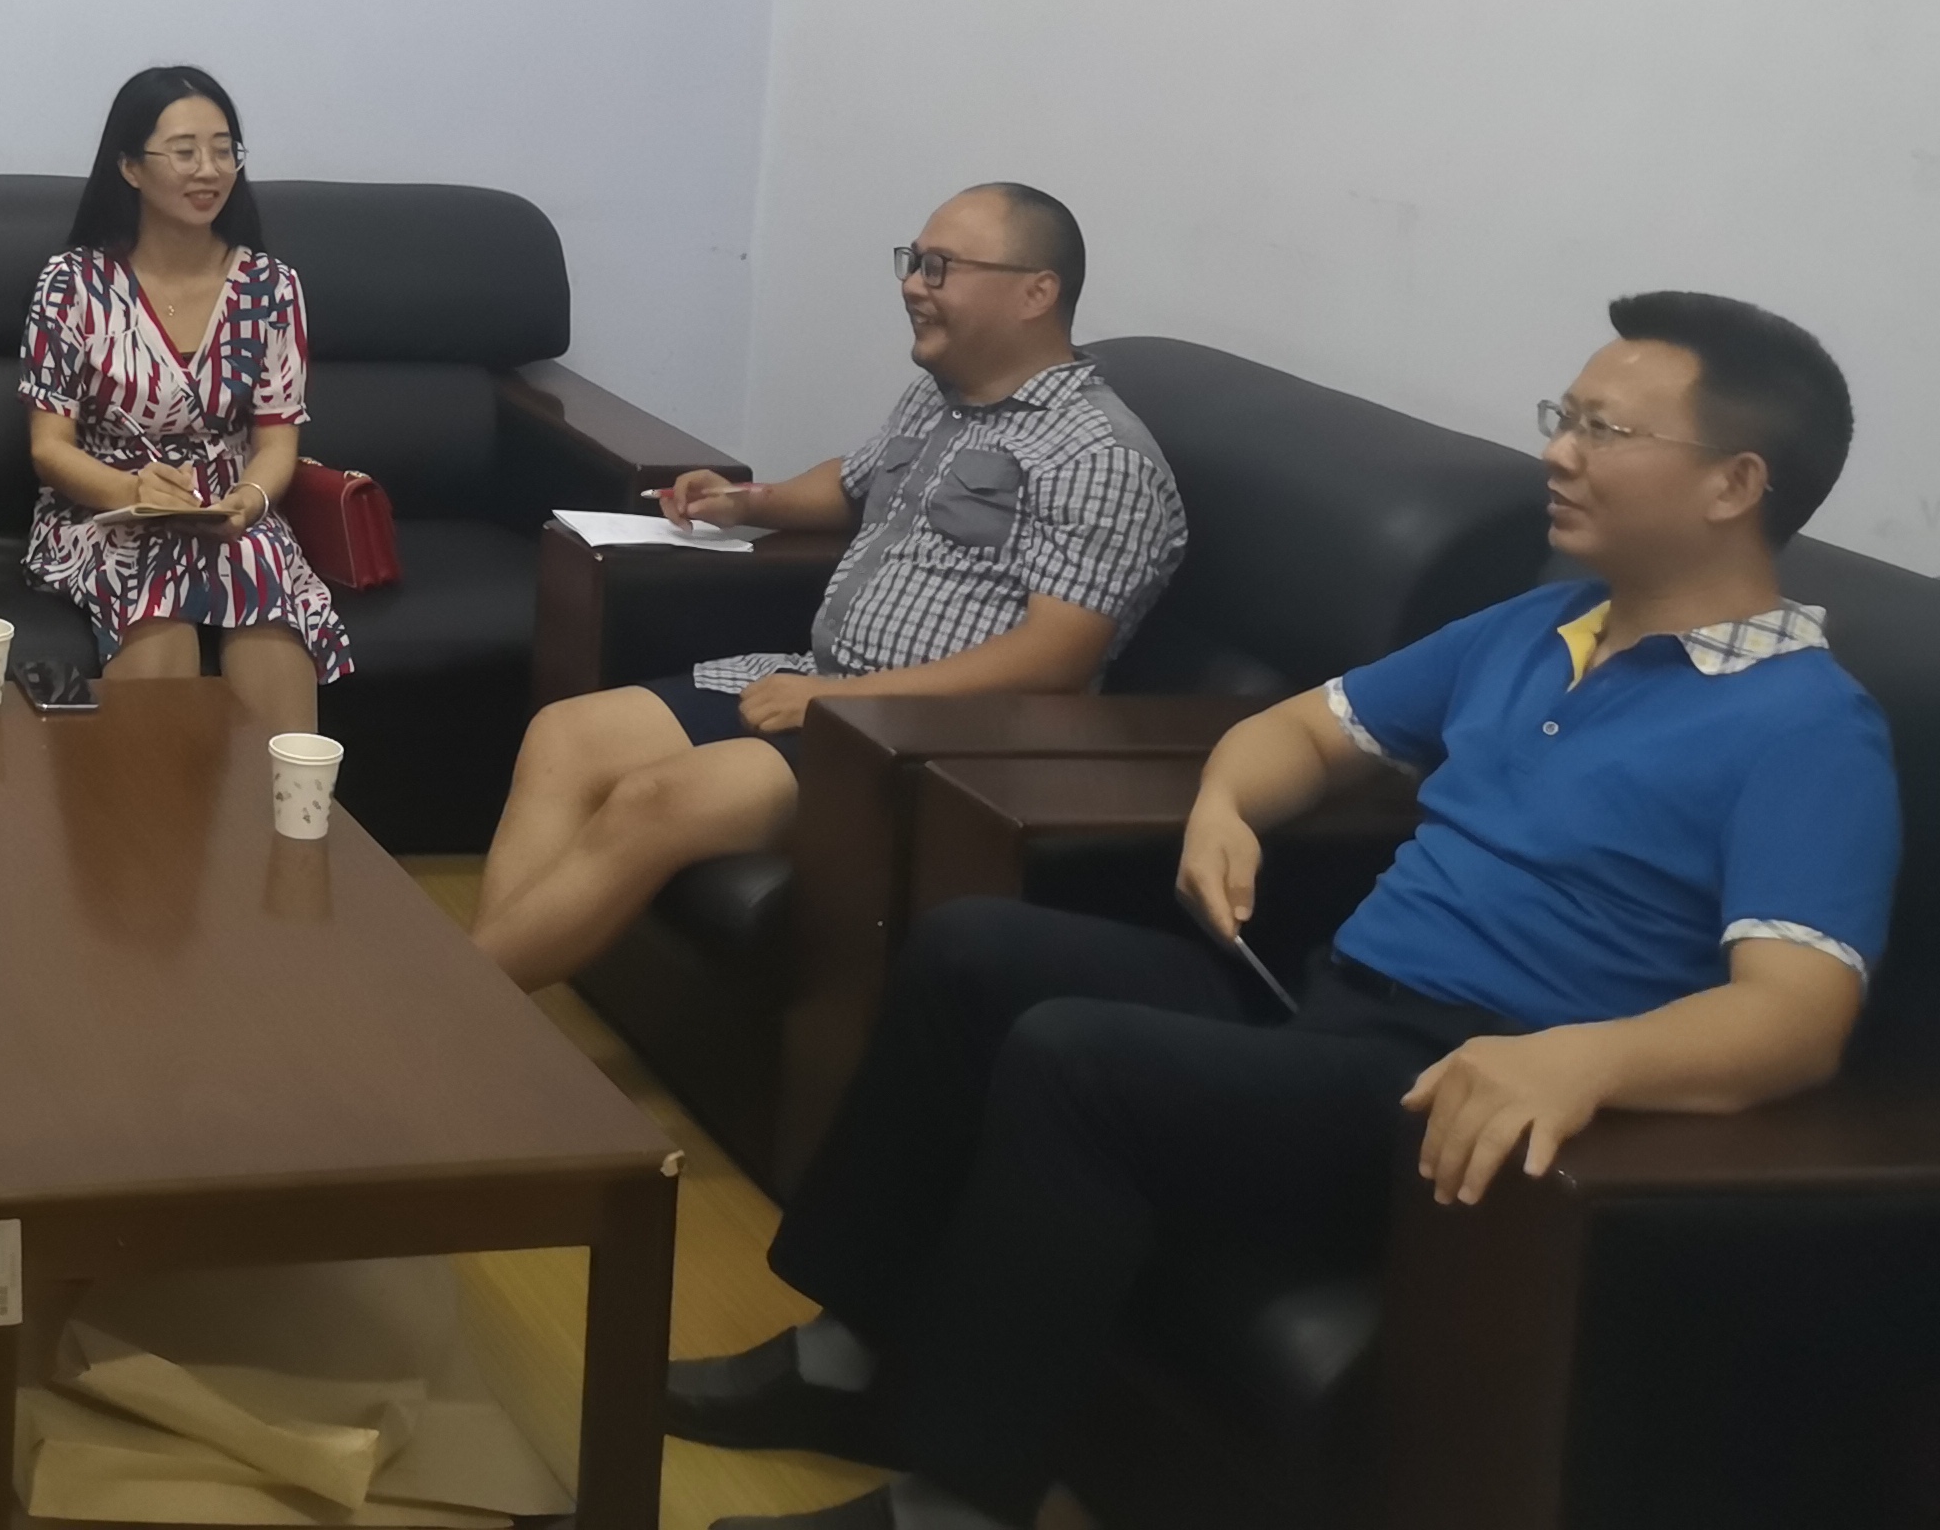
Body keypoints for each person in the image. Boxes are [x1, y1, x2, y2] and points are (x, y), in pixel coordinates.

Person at [675, 292, 1899, 1530]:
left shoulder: (1805, 729)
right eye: (1562, 417)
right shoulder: (1543, 625)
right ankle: (844, 1362)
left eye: (1604, 431)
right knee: (970, 949)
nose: (1559, 454)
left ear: (1733, 483)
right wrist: (1226, 807)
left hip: (1450, 1090)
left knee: (1077, 1060)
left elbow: (1795, 1019)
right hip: (1327, 1002)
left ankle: (955, 1507)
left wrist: (1584, 1061)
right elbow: (1301, 731)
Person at [471, 184, 1184, 989]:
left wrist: (842, 700)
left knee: (658, 798)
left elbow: (1057, 658)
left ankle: (448, 1014)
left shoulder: (1100, 457)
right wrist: (748, 501)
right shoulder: (941, 398)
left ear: (1036, 292)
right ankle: (478, 1010)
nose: (912, 285)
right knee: (565, 736)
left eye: (940, 267)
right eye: (913, 262)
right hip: (823, 684)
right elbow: (851, 486)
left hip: (930, 741)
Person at [21, 66, 342, 735]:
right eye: (185, 151)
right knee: (156, 589)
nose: (209, 170)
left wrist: (248, 502)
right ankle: (147, 801)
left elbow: (277, 442)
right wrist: (132, 492)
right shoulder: (73, 283)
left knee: (263, 583)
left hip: (229, 507)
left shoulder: (270, 287)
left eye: (224, 150)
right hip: (105, 508)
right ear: (130, 168)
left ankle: (291, 797)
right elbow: (49, 448)